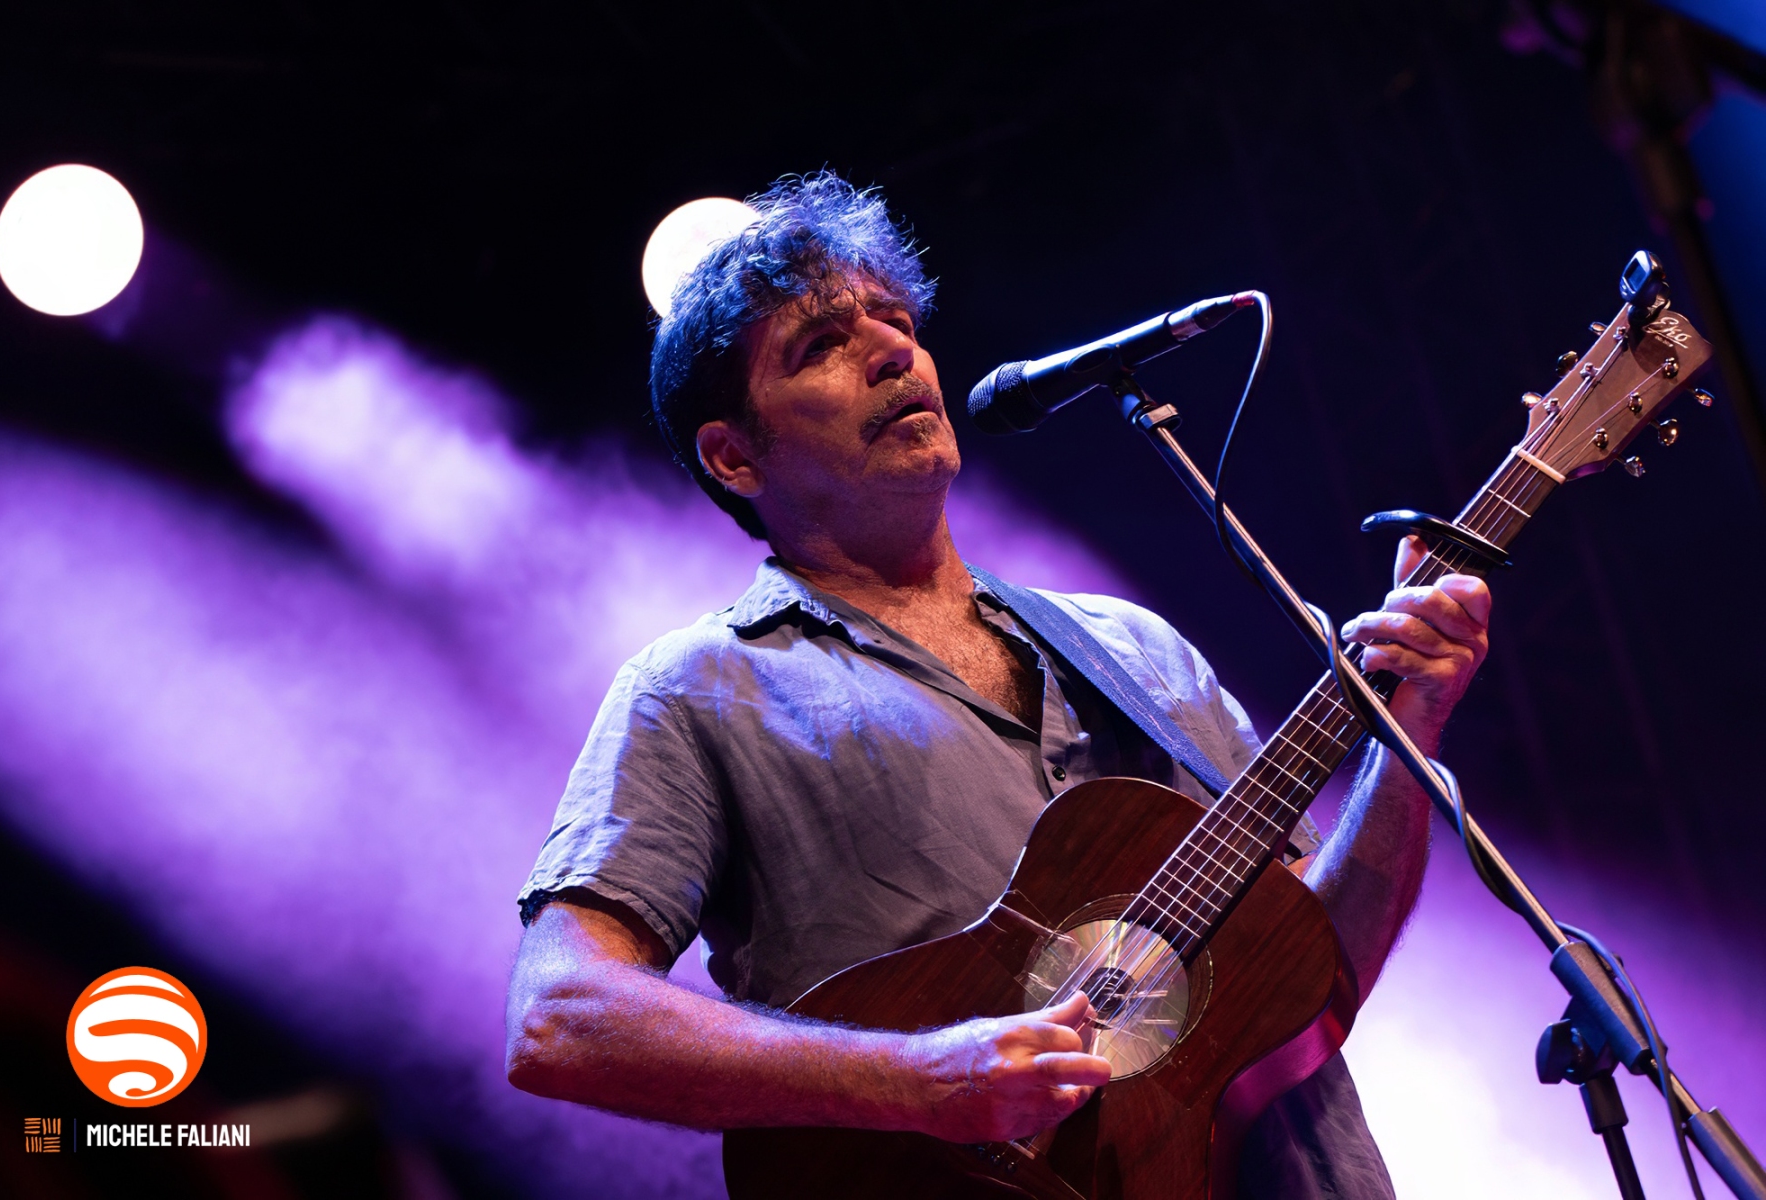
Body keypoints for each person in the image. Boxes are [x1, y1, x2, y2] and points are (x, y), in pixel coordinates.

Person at [504, 173, 1491, 1197]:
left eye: (897, 322)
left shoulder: (1135, 648)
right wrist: (921, 1081)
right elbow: (560, 1015)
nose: (894, 351)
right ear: (734, 457)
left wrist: (1405, 736)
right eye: (822, 344)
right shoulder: (701, 689)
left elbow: (1318, 968)